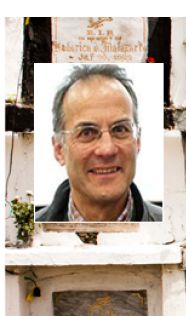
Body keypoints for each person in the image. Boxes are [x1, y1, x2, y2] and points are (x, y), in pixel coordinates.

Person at [35, 64, 162, 222]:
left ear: (138, 142)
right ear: (59, 149)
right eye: (87, 133)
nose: (107, 149)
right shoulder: (25, 232)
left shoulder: (174, 226)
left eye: (120, 129)